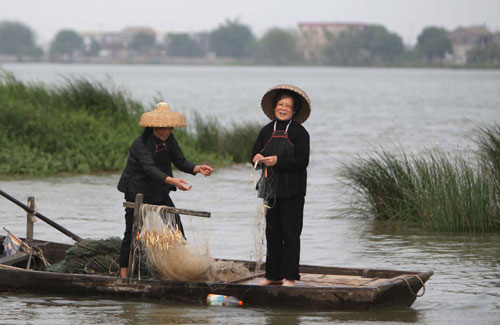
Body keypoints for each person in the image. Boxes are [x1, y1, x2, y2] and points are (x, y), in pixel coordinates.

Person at [117, 102, 213, 278]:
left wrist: (197, 169)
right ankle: (124, 276)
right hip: (137, 192)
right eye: (162, 128)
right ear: (153, 126)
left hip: (159, 191)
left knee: (176, 228)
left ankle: (180, 268)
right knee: (132, 233)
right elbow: (149, 168)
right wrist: (173, 181)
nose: (166, 132)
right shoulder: (140, 144)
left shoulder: (170, 141)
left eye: (169, 128)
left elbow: (181, 161)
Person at [251, 84, 311, 287]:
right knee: (272, 232)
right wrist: (257, 158)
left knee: (291, 234)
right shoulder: (267, 130)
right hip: (271, 189)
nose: (283, 108)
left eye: (287, 105)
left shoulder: (300, 132)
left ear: (294, 111)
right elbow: (253, 155)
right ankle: (272, 276)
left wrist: (279, 161)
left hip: (293, 189)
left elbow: (302, 161)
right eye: (280, 104)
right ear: (274, 107)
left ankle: (290, 277)